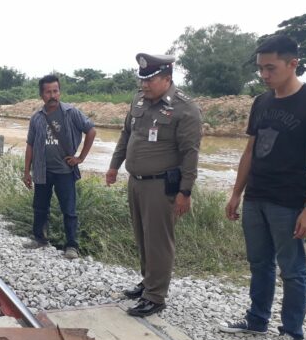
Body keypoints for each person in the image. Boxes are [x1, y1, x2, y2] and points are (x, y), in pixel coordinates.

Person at [218, 35, 306, 340]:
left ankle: (292, 335)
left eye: (270, 68)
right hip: (256, 196)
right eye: (260, 69)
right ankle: (257, 319)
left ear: (292, 63)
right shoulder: (261, 102)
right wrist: (236, 192)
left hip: (289, 202)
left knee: (292, 270)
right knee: (259, 263)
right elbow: (250, 150)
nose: (264, 75)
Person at [106, 53, 202, 317]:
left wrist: (185, 191)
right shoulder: (139, 99)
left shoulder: (185, 109)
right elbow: (127, 134)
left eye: (150, 80)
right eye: (142, 79)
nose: (144, 84)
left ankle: (156, 297)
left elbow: (190, 153)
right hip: (136, 182)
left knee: (159, 241)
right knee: (143, 237)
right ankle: (148, 282)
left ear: (167, 79)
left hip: (161, 187)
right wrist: (115, 165)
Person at [23, 75, 96, 259]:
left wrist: (80, 158)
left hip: (65, 171)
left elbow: (91, 130)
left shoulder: (71, 113)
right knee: (40, 207)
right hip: (42, 171)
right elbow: (30, 145)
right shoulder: (37, 118)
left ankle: (71, 246)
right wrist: (26, 171)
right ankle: (40, 239)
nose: (53, 95)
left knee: (69, 210)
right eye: (48, 92)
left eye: (55, 91)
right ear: (42, 95)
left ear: (60, 92)